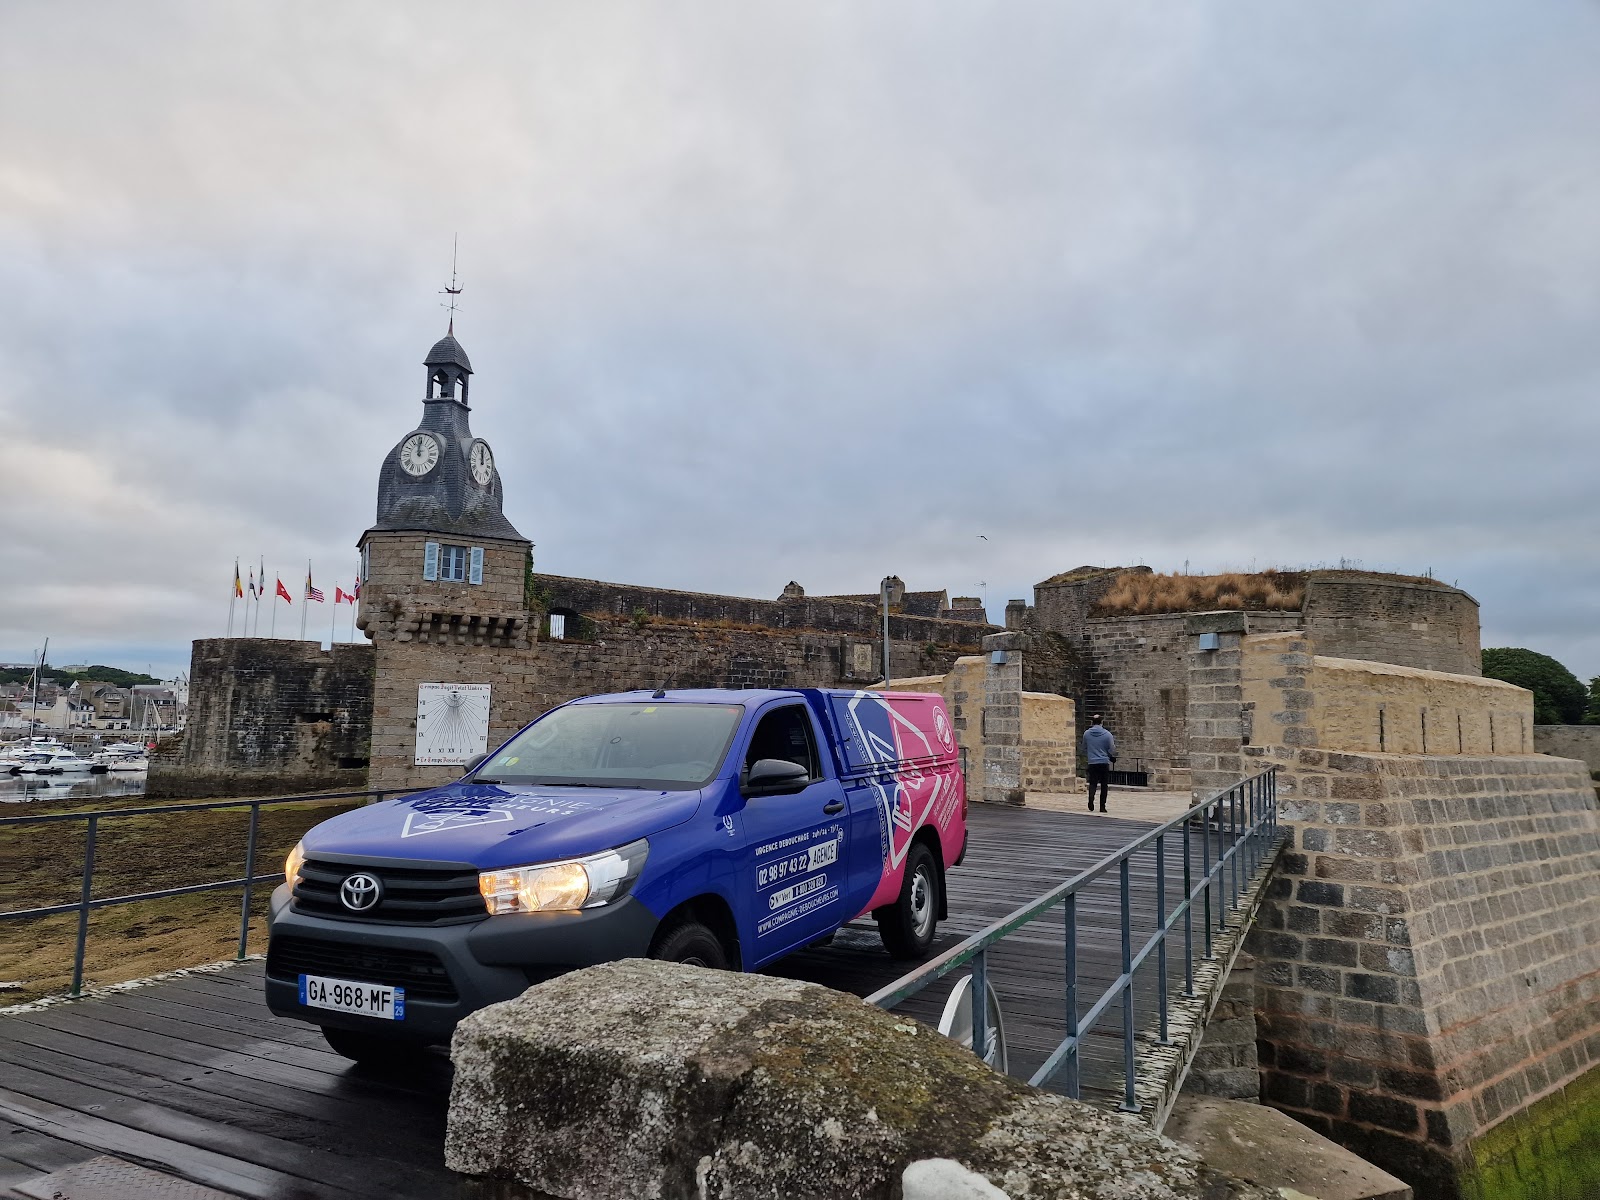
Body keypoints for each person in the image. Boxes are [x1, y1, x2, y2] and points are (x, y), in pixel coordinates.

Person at [1083, 714, 1115, 813]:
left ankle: (1091, 800)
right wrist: (1109, 755)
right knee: (1104, 785)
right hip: (1104, 762)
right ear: (1102, 722)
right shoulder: (1107, 734)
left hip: (1092, 762)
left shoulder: (1087, 734)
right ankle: (1102, 806)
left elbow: (1084, 747)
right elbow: (1112, 748)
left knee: (1093, 783)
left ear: (1092, 722)